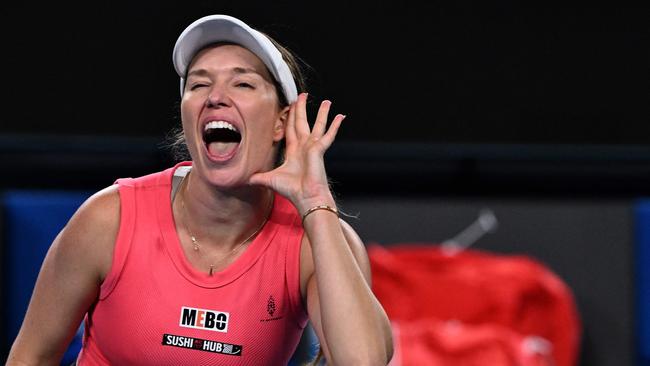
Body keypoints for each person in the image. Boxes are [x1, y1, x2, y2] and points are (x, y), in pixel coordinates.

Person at [6, 14, 393, 365]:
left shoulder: (315, 241)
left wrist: (316, 204)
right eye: (199, 84)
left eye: (242, 82)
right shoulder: (108, 218)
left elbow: (365, 362)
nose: (215, 96)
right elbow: (29, 357)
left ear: (282, 123)